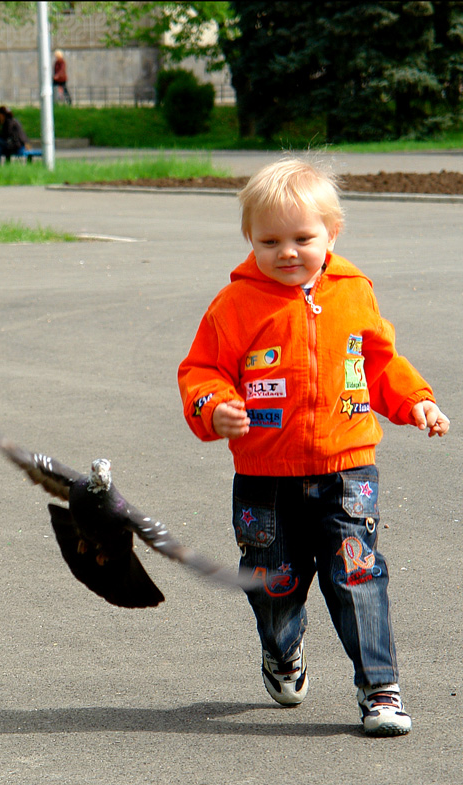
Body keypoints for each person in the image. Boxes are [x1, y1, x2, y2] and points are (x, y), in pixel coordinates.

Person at [177, 156, 450, 737]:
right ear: (249, 238)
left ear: (332, 234)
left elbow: (379, 364)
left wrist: (415, 401)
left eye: (303, 238)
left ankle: (380, 688)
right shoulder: (235, 306)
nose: (287, 253)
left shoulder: (353, 293)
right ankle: (282, 648)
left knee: (358, 575)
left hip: (347, 470)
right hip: (264, 476)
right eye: (269, 240)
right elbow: (202, 370)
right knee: (273, 583)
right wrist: (212, 406)